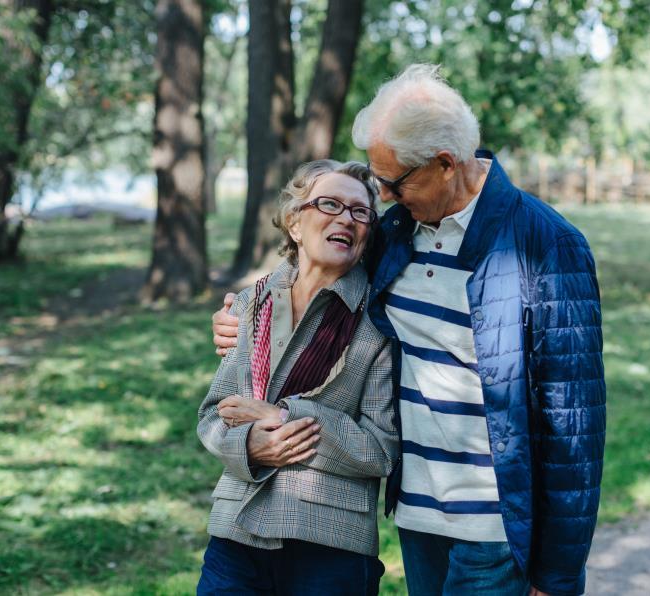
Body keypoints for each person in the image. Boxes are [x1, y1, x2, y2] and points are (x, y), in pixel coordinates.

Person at [213, 65, 605, 596]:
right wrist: (242, 313)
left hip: (494, 529)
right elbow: (312, 268)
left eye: (392, 183)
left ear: (446, 165)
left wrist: (557, 576)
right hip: (419, 518)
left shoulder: (547, 244)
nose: (384, 197)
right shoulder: (396, 233)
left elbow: (572, 423)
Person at [196, 159, 399, 595]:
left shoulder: (379, 322)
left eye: (360, 212)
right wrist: (250, 445)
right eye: (329, 204)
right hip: (235, 531)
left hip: (329, 543)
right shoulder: (253, 303)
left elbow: (381, 449)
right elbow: (215, 414)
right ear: (294, 223)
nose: (346, 217)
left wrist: (285, 418)